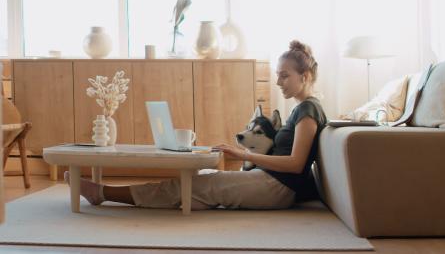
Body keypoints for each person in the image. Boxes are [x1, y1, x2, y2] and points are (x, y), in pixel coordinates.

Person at [64, 40, 327, 210]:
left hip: (278, 188)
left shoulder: (308, 110)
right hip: (272, 182)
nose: (279, 82)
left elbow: (295, 163)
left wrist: (243, 154)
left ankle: (104, 193)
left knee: (194, 186)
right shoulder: (302, 109)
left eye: (284, 76)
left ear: (304, 76)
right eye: (277, 75)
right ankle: (118, 194)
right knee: (197, 183)